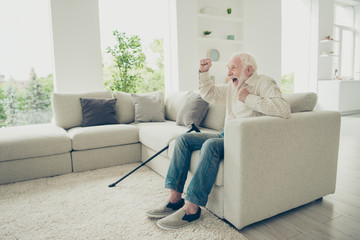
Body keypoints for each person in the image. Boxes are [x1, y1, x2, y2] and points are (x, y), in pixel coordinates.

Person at [145, 52, 291, 230]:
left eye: (233, 68)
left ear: (249, 69)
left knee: (210, 144)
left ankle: (192, 209)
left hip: (245, 141)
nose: (228, 73)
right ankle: (175, 200)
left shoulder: (265, 83)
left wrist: (248, 98)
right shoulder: (232, 86)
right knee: (183, 139)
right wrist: (204, 72)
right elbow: (209, 95)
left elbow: (284, 109)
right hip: (226, 136)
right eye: (228, 68)